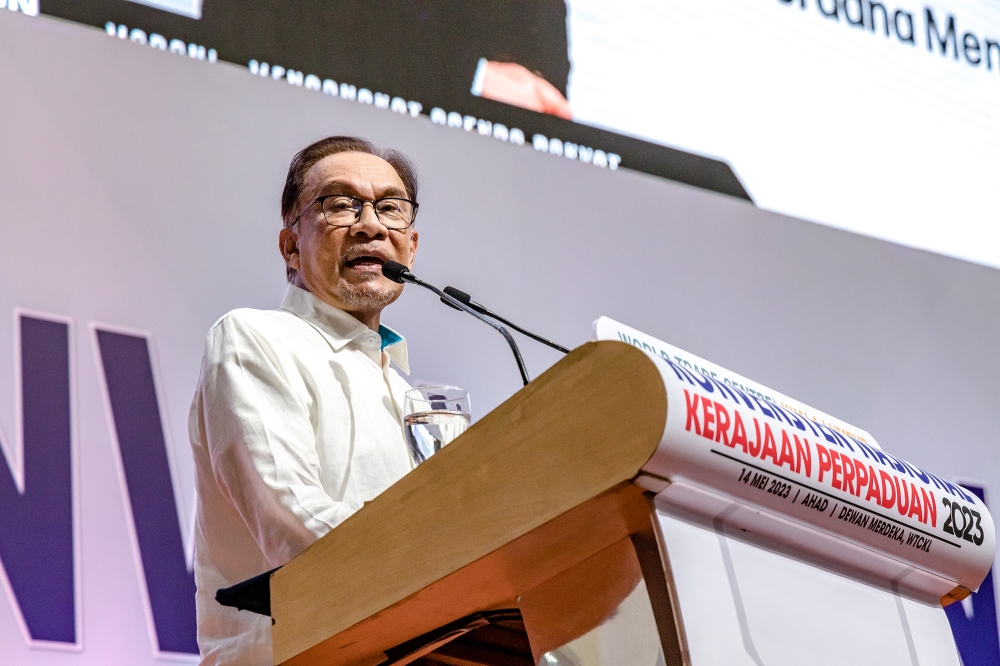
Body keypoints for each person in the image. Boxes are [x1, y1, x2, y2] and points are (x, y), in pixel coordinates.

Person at [188, 136, 420, 665]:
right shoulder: (253, 339)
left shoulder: (410, 398)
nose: (370, 225)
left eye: (390, 208)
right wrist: (449, 560)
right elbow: (294, 522)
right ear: (291, 247)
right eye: (340, 205)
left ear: (410, 245)